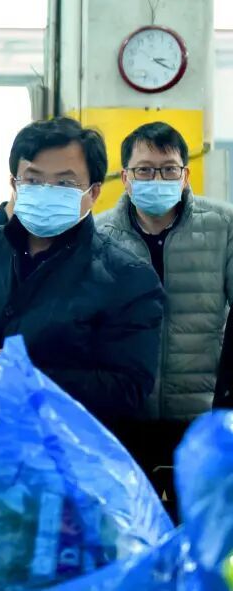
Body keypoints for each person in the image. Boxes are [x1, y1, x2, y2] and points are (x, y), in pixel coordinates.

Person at [0, 117, 164, 435]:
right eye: (33, 180)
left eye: (64, 184)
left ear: (94, 192)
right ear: (14, 184)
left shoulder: (127, 278)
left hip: (61, 449)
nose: (46, 192)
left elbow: (129, 388)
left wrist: (31, 378)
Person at [95, 122, 233, 507]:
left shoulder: (223, 226)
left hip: (200, 416)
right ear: (125, 178)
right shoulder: (97, 235)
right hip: (123, 417)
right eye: (144, 169)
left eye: (169, 169)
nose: (157, 179)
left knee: (197, 522)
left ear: (185, 175)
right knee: (131, 521)